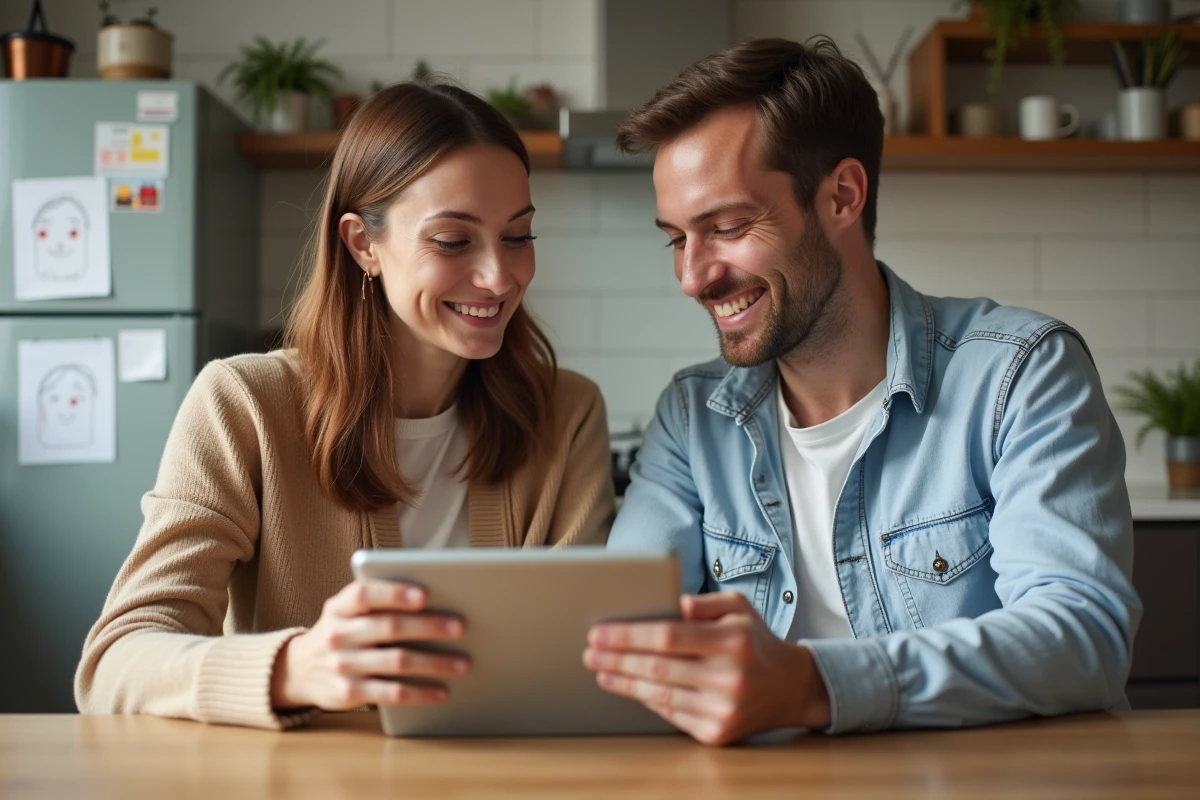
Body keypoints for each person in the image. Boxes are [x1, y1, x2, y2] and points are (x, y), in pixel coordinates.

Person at [586, 37, 1140, 745]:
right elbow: (625, 632)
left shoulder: (1020, 374)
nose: (693, 277)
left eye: (726, 227)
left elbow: (1081, 640)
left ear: (843, 196)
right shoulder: (692, 421)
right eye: (675, 239)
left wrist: (814, 683)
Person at [75, 83, 614, 729]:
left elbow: (579, 659)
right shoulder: (244, 405)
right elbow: (114, 663)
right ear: (362, 244)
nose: (500, 277)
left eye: (518, 236)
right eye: (453, 241)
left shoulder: (567, 411)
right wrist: (296, 668)